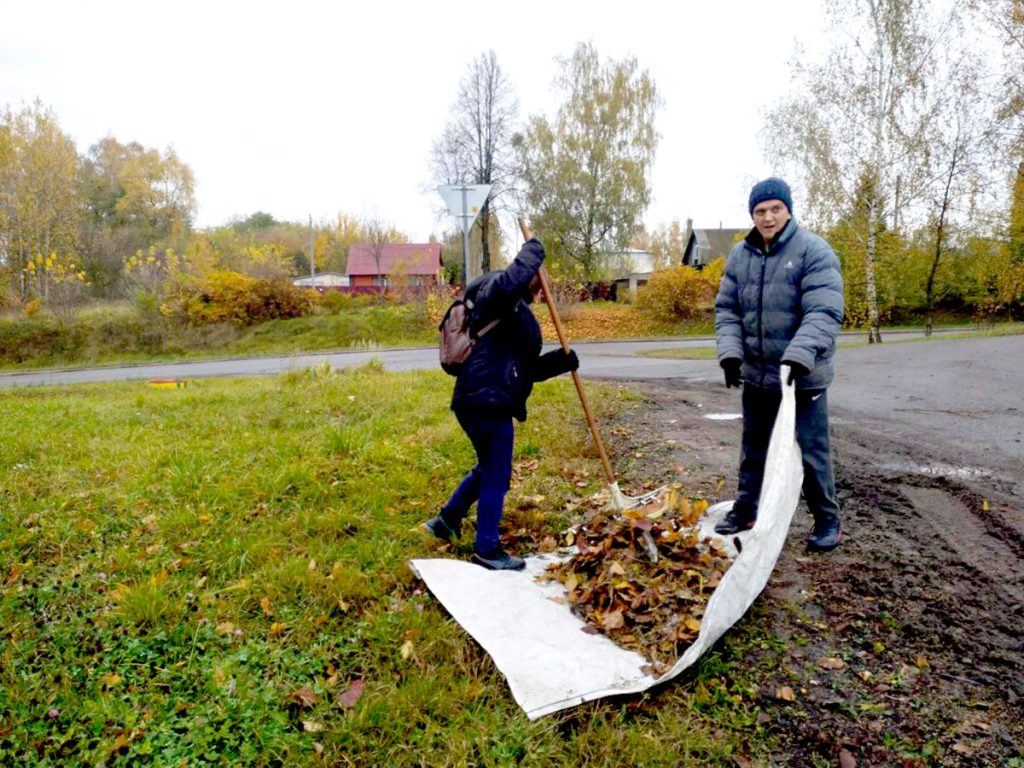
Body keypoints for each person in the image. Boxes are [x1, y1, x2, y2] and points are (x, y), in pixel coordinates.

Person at [424, 238, 579, 571]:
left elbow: (524, 370)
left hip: (483, 399)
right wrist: (535, 250)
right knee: (497, 474)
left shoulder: (515, 313)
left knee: (488, 468)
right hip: (485, 400)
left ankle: (445, 521)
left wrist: (561, 362)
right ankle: (487, 549)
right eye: (541, 284)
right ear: (533, 279)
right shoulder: (496, 293)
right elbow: (511, 280)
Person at [714, 177, 845, 552]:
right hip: (757, 375)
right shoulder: (740, 255)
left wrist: (800, 355)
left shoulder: (813, 251)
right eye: (760, 211)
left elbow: (824, 310)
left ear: (788, 210)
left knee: (810, 451)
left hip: (803, 378)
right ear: (752, 216)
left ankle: (827, 520)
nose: (768, 217)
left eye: (775, 209)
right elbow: (727, 310)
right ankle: (746, 509)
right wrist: (730, 353)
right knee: (754, 448)